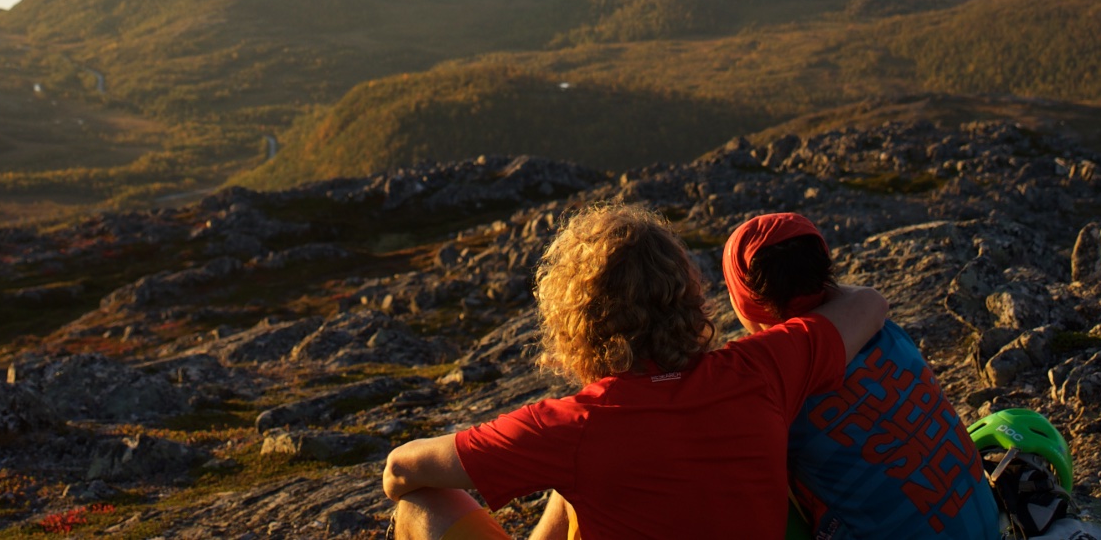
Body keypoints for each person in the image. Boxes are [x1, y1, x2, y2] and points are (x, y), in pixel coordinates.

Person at [381, 203, 891, 540]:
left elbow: (401, 470)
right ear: (690, 297)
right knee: (578, 476)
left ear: (576, 319)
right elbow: (868, 303)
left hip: (578, 443)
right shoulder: (761, 369)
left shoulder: (572, 425)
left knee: (421, 505)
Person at [724, 213, 1001, 539]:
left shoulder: (774, 387)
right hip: (988, 527)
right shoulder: (887, 332)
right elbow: (857, 298)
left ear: (745, 299)